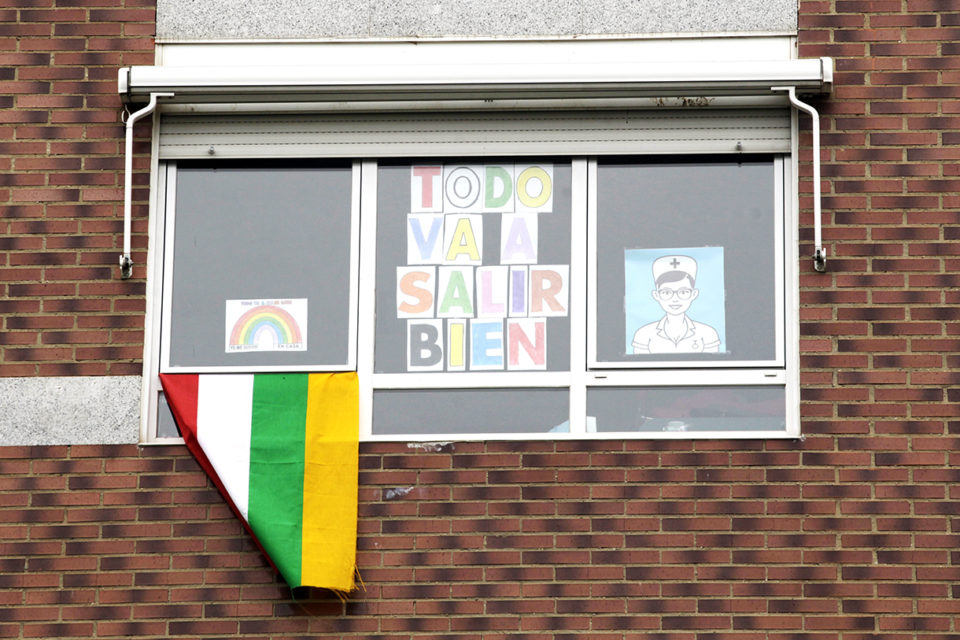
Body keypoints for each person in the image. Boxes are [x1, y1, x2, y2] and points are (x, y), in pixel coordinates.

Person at [631, 254, 720, 354]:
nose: (675, 299)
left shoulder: (708, 333)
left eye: (683, 292)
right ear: (656, 295)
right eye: (666, 292)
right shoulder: (643, 334)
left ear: (694, 294)